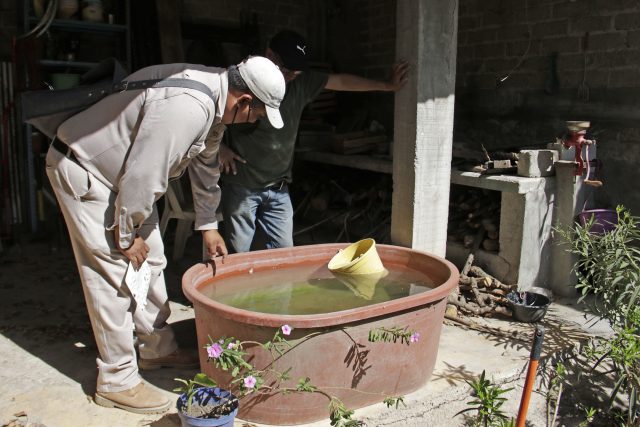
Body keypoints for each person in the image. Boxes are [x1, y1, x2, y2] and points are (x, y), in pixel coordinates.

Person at [46, 56, 285, 414]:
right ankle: (117, 380)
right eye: (256, 115)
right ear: (245, 101)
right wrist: (125, 235)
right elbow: (145, 173)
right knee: (111, 273)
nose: (254, 122)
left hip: (123, 179)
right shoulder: (188, 107)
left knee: (152, 258)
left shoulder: (217, 105)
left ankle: (158, 348)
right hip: (88, 171)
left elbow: (205, 165)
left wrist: (208, 226)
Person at [218, 30, 409, 253]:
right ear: (269, 54)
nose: (291, 75)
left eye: (296, 71)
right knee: (237, 253)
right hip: (242, 185)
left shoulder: (301, 82)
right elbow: (215, 112)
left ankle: (276, 288)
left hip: (278, 187)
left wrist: (387, 85)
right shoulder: (245, 82)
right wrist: (219, 148)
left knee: (284, 253)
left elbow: (342, 81)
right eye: (287, 69)